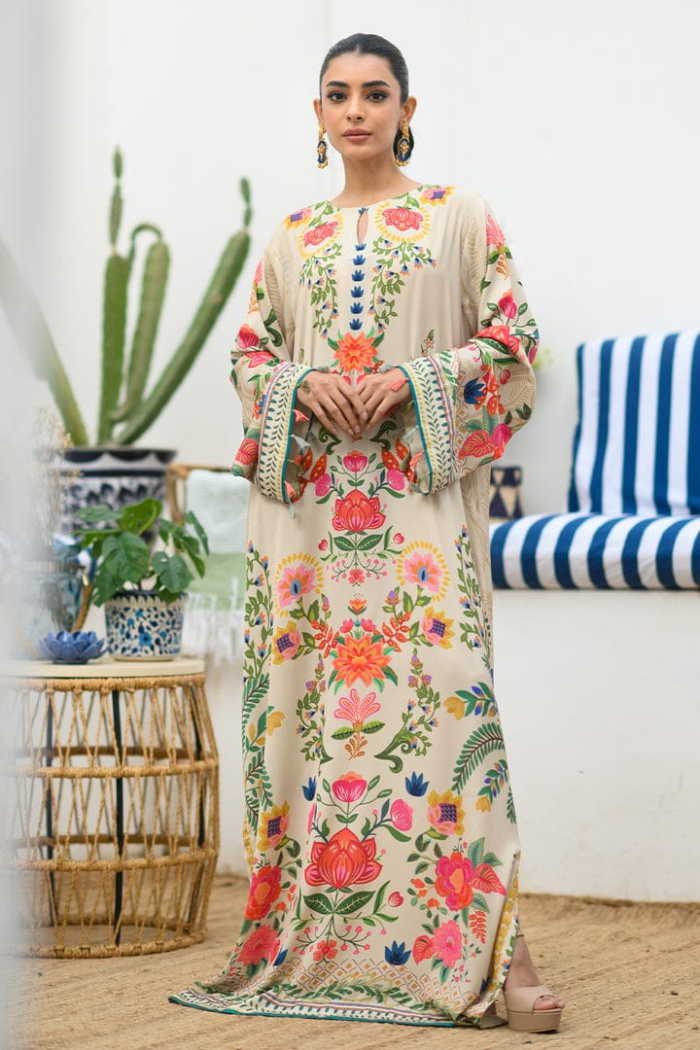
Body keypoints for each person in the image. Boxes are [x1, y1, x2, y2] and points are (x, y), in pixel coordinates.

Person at [171, 32, 564, 1032]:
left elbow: (516, 343)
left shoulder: (457, 215)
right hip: (308, 519)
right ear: (316, 116)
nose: (356, 110)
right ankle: (325, 938)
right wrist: (305, 385)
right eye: (337, 94)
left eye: (375, 93)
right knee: (310, 721)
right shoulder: (289, 238)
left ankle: (498, 952)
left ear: (405, 106)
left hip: (416, 508)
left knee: (449, 713)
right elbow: (252, 360)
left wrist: (410, 379)